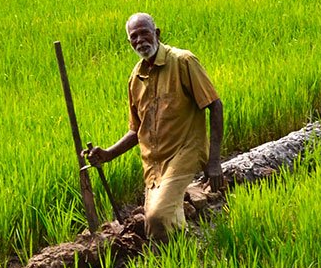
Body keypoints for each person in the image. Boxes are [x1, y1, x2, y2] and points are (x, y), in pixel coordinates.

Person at [85, 13, 224, 241]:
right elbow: (136, 130)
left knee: (157, 217)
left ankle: (176, 258)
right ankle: (181, 258)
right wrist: (109, 154)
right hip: (154, 165)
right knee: (156, 226)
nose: (139, 40)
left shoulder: (183, 62)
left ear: (157, 33)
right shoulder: (135, 78)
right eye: (134, 37)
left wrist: (215, 161)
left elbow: (215, 105)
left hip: (184, 152)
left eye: (144, 33)